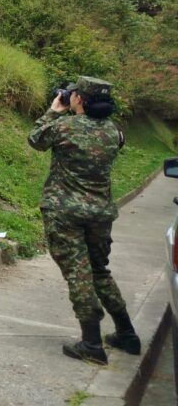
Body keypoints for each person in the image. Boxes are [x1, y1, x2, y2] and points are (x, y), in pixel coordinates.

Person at [27, 77, 139, 365]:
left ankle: (91, 343)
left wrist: (54, 110)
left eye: (74, 93)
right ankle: (126, 333)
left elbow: (36, 139)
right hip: (100, 213)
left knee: (79, 274)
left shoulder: (64, 127)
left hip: (66, 213)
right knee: (99, 270)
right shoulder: (116, 132)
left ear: (79, 99)